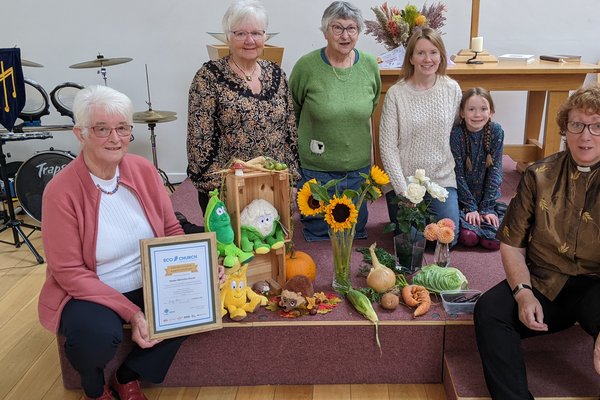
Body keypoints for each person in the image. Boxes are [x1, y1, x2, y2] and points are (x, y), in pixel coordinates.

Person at [39, 85, 186, 400]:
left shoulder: (144, 170)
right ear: (80, 134)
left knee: (195, 302)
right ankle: (94, 389)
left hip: (146, 277)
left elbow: (172, 229)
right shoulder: (60, 191)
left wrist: (195, 269)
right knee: (94, 336)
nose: (115, 138)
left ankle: (127, 376)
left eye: (122, 128)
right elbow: (68, 271)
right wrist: (133, 313)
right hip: (90, 289)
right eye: (102, 129)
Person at [474, 84, 600, 399]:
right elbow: (512, 244)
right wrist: (523, 293)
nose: (585, 136)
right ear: (564, 129)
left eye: (597, 126)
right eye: (577, 125)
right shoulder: (539, 175)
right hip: (544, 281)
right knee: (490, 311)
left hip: (597, 287)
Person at [186, 0, 299, 216]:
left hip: (274, 185)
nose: (249, 40)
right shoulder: (208, 77)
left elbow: (290, 134)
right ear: (228, 38)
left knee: (275, 247)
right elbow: (199, 142)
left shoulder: (277, 75)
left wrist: (291, 179)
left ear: (265, 37)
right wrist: (220, 187)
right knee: (235, 249)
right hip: (227, 190)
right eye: (240, 34)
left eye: (256, 33)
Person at [289, 1, 381, 242]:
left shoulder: (370, 65)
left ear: (359, 32)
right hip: (317, 168)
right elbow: (293, 112)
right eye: (337, 28)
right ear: (325, 31)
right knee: (319, 235)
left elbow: (370, 109)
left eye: (351, 28)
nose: (345, 35)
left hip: (357, 169)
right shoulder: (306, 66)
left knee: (354, 234)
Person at [379, 27, 461, 243]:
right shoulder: (396, 94)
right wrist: (403, 191)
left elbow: (456, 133)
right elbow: (388, 148)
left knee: (448, 238)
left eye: (433, 52)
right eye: (421, 53)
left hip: (441, 178)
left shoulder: (452, 89)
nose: (428, 59)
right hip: (404, 179)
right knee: (413, 242)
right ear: (411, 58)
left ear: (441, 55)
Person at [450, 87, 505, 250]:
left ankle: (489, 213)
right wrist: (470, 207)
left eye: (483, 109)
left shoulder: (496, 131)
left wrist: (486, 207)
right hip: (463, 197)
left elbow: (495, 171)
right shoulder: (456, 135)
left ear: (491, 111)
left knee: (494, 241)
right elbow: (457, 174)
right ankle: (469, 218)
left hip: (486, 196)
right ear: (462, 112)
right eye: (471, 109)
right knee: (469, 238)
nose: (477, 114)